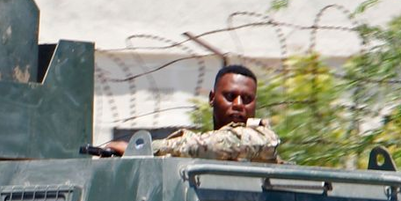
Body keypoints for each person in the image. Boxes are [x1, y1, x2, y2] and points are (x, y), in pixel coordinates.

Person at [106, 64, 280, 162]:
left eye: (247, 99)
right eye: (230, 96)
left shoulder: (262, 137)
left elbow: (222, 144)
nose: (238, 105)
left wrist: (145, 150)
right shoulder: (194, 152)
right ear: (212, 98)